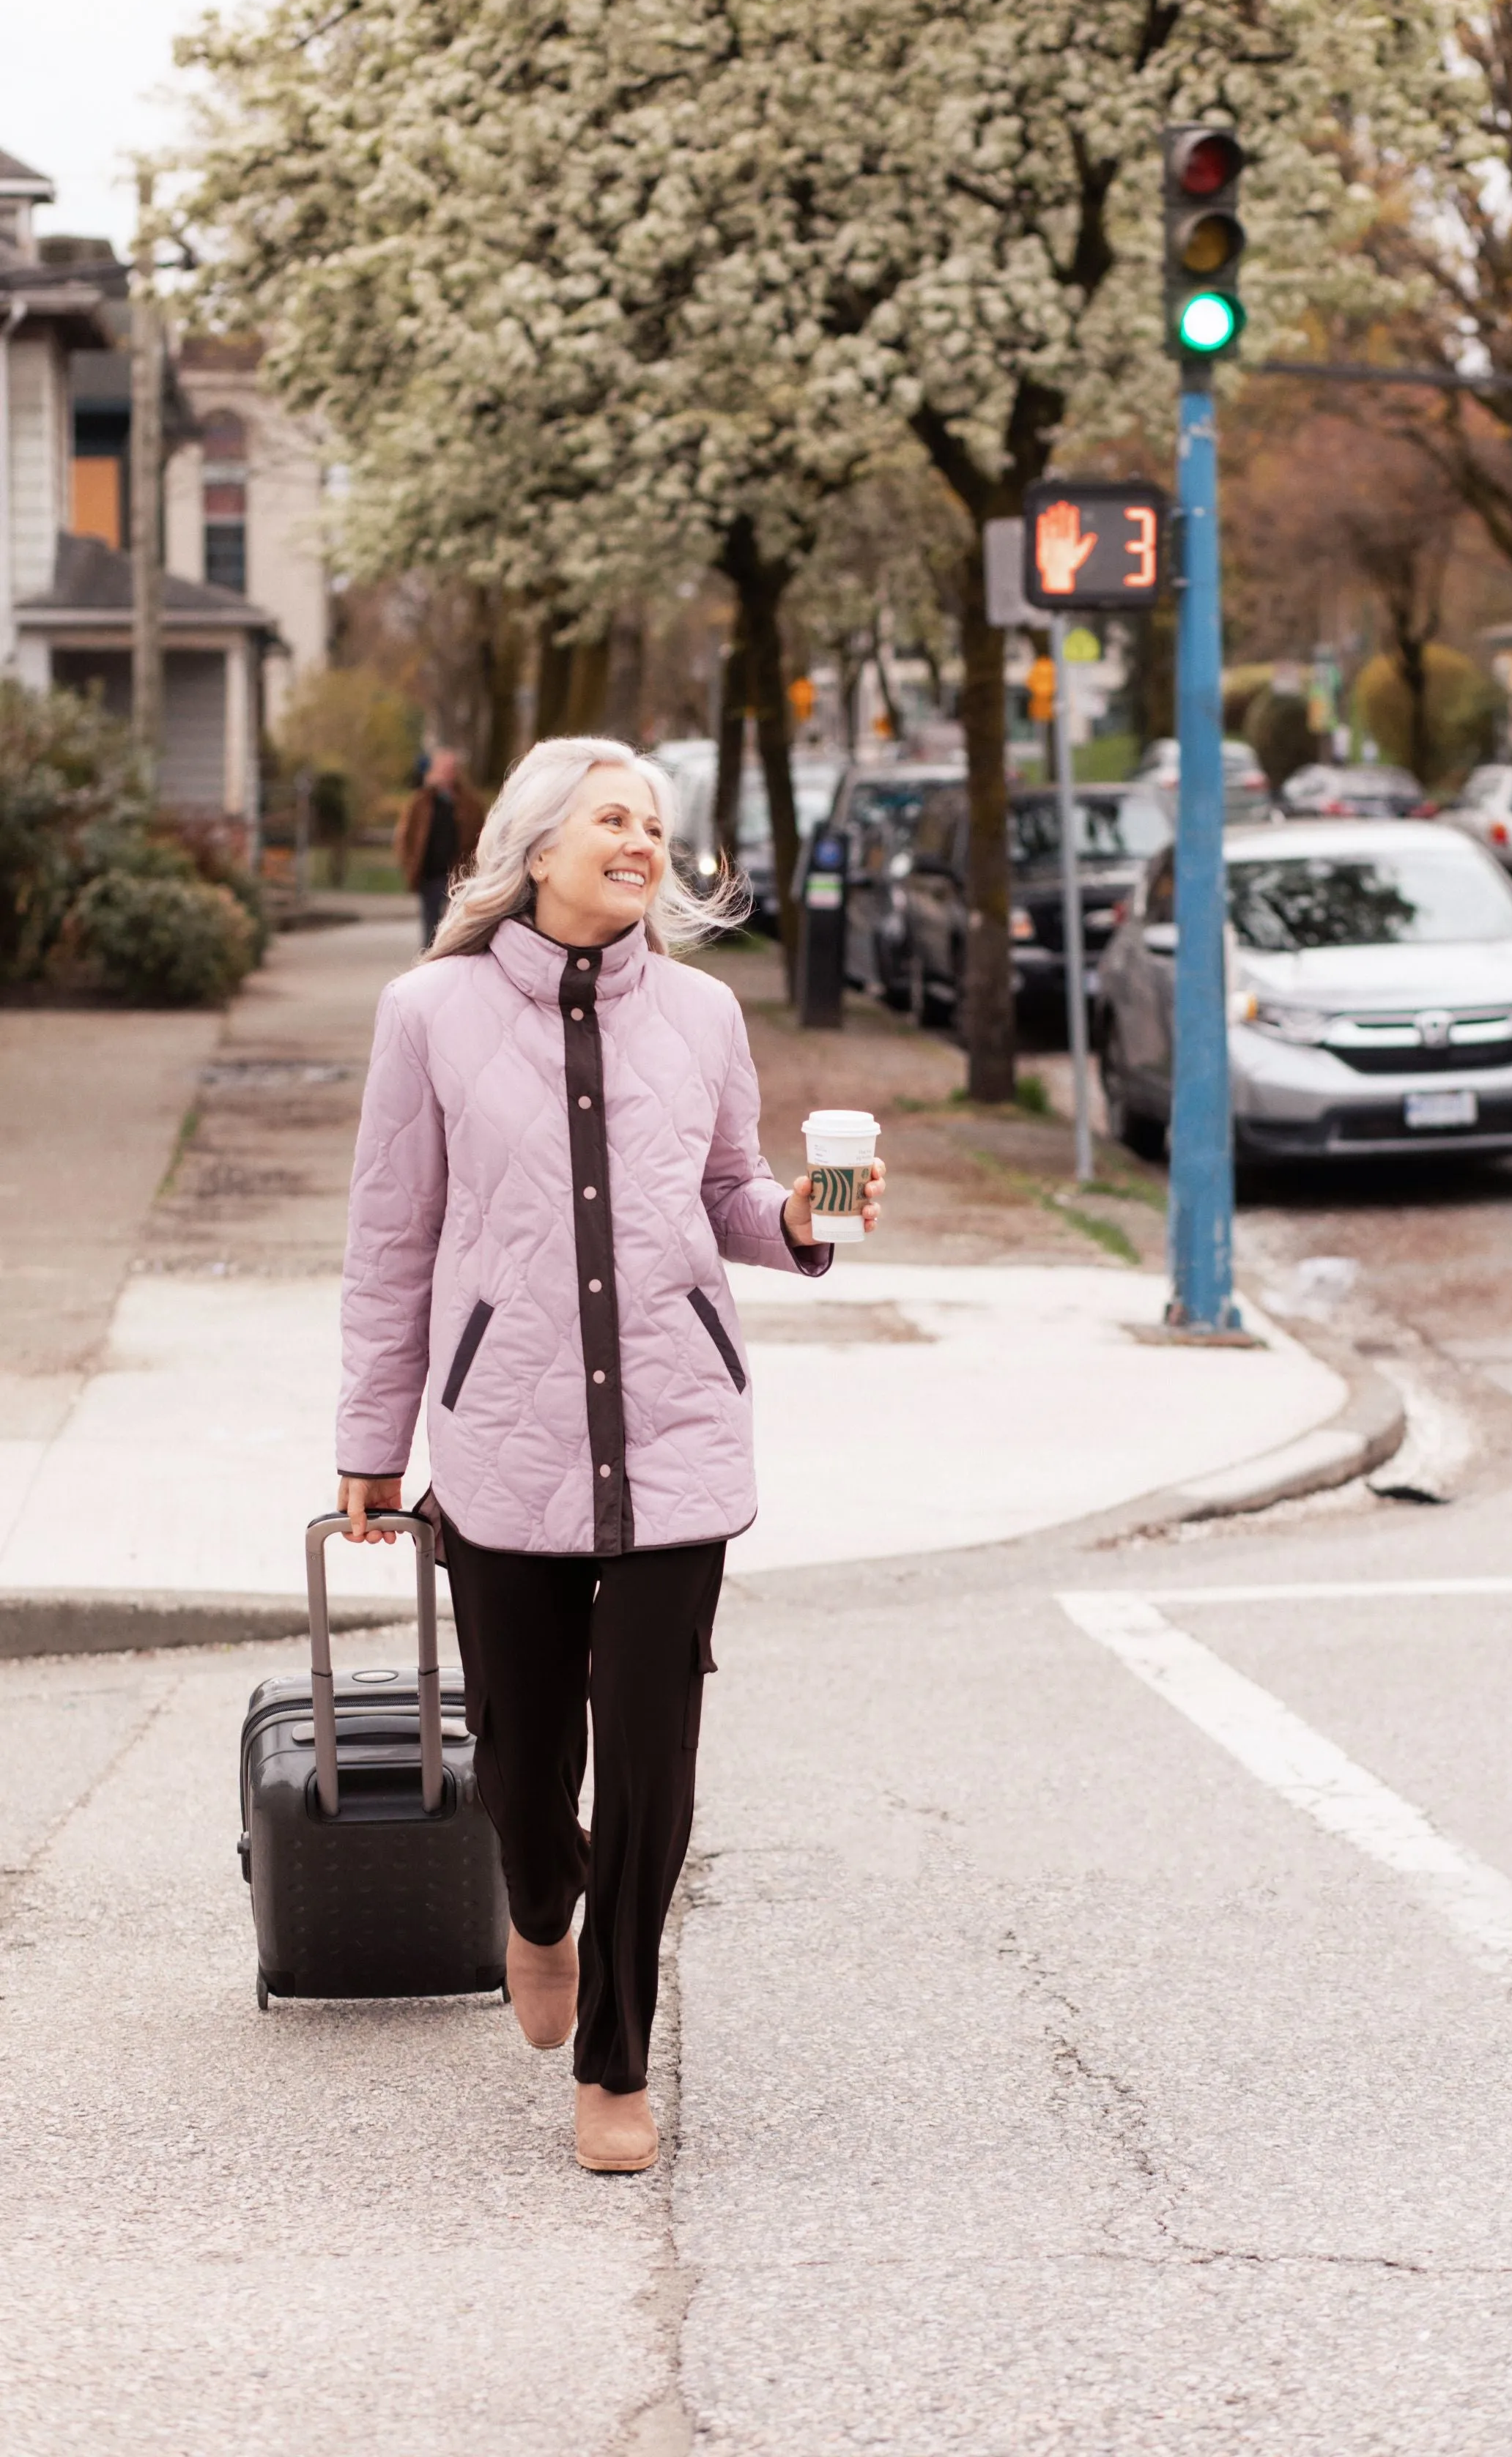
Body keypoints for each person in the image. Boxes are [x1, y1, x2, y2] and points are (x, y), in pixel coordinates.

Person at [335, 735, 887, 2173]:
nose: (641, 840)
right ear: (536, 848)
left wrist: (807, 1223)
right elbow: (391, 1239)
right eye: (611, 819)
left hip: (677, 1438)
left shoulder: (701, 1016)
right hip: (503, 1439)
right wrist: (370, 1441)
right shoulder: (429, 1013)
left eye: (654, 821)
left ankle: (615, 2064)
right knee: (526, 1766)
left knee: (651, 1762)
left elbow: (728, 1191)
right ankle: (536, 1909)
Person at [395, 747, 485, 947]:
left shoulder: (469, 803)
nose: (447, 774)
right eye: (442, 769)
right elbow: (405, 837)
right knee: (430, 926)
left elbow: (481, 837)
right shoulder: (421, 802)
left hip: (458, 874)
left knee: (455, 926)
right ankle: (429, 966)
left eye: (451, 769)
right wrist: (410, 865)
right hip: (430, 874)